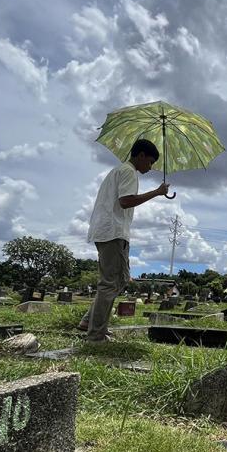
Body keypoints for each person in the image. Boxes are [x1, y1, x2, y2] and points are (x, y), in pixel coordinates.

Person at [78, 139, 170, 341]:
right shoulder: (128, 171)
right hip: (113, 231)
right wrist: (157, 192)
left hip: (109, 230)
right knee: (110, 283)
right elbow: (126, 201)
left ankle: (89, 320)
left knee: (120, 279)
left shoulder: (118, 171)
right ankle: (96, 335)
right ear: (141, 155)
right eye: (150, 162)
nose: (150, 167)